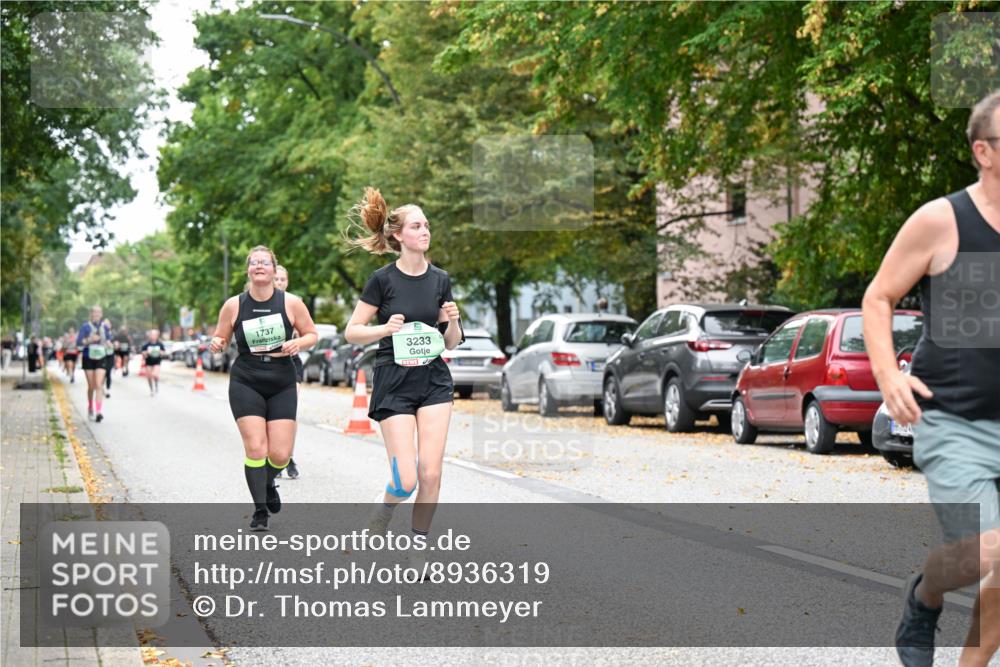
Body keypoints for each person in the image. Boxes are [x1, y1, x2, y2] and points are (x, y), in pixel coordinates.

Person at [863, 90, 1000, 667]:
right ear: (984, 151)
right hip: (953, 421)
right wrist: (888, 374)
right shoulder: (942, 220)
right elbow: (879, 296)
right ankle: (926, 595)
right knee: (990, 550)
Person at [343, 187, 465, 559]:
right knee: (406, 479)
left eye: (427, 225)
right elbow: (352, 331)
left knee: (430, 473)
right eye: (416, 225)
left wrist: (454, 323)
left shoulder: (440, 279)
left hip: (433, 380)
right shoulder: (382, 280)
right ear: (398, 235)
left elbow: (451, 343)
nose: (425, 231)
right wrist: (384, 329)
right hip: (393, 379)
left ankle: (418, 547)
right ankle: (385, 505)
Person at [209, 246, 317, 531]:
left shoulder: (290, 303)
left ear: (273, 269)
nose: (259, 266)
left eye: (265, 262)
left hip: (282, 379)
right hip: (247, 378)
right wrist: (217, 343)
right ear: (248, 270)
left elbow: (312, 334)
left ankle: (268, 483)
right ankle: (260, 512)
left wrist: (299, 343)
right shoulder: (234, 305)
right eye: (254, 262)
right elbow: (220, 336)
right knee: (256, 448)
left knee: (280, 454)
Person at [272, 264, 302, 480]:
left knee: (289, 413)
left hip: (292, 362)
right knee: (270, 415)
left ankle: (289, 457)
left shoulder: (294, 302)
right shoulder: (262, 304)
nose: (280, 282)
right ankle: (273, 457)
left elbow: (307, 332)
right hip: (268, 364)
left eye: (283, 279)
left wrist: (297, 341)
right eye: (277, 279)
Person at [76, 306, 112, 422]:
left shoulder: (105, 327)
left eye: (98, 312)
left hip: (101, 356)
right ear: (91, 314)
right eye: (94, 312)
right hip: (88, 357)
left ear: (101, 314)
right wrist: (90, 340)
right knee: (91, 386)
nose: (96, 314)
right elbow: (79, 342)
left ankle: (98, 412)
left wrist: (110, 344)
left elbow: (109, 340)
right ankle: (90, 406)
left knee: (98, 384)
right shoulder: (85, 326)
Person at [141, 329, 167, 396]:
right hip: (149, 362)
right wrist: (146, 352)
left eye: (154, 334)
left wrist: (161, 352)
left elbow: (164, 352)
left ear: (157, 336)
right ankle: (151, 390)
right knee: (149, 376)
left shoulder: (160, 344)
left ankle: (156, 384)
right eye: (152, 334)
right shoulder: (146, 345)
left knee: (155, 375)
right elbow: (143, 353)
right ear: (150, 336)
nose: (153, 336)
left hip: (157, 361)